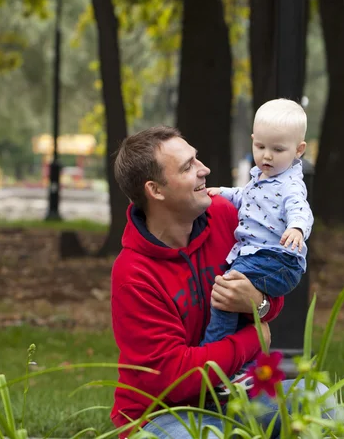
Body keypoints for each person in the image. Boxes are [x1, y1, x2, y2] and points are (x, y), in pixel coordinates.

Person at [110, 126, 332, 438]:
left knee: (319, 399)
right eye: (188, 167)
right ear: (155, 190)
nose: (204, 170)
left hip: (238, 396)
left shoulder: (226, 216)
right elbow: (175, 378)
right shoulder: (133, 274)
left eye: (196, 159)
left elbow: (269, 279)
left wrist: (260, 303)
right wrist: (255, 337)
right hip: (165, 414)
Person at [200, 99, 313, 388]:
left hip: (277, 259)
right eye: (261, 147)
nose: (267, 156)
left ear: (298, 150)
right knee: (239, 308)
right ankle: (245, 373)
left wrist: (297, 228)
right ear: (253, 141)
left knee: (226, 293)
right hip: (259, 257)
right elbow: (245, 198)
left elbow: (300, 208)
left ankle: (214, 363)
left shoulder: (289, 183)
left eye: (278, 150)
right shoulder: (261, 178)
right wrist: (221, 191)